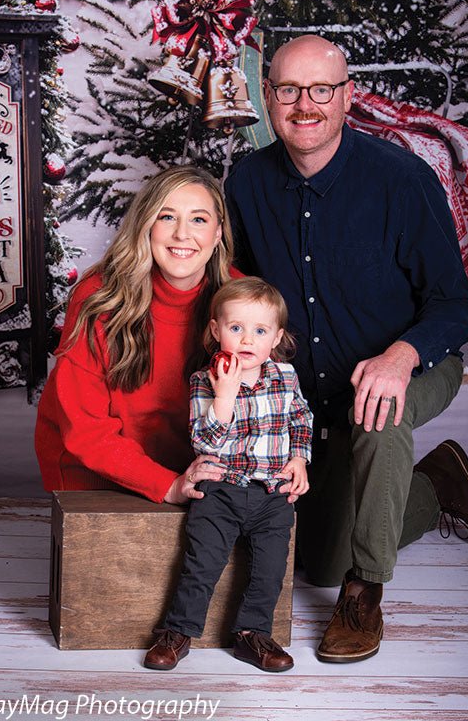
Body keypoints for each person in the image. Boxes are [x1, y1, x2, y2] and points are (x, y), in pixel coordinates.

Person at [223, 35, 468, 664]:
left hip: (415, 363)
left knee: (380, 410)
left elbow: (457, 307)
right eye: (289, 89)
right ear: (268, 98)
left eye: (321, 89)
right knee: (317, 559)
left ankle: (365, 592)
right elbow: (241, 290)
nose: (305, 104)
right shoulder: (246, 182)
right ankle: (434, 487)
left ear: (346, 97)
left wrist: (401, 356)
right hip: (313, 390)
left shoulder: (402, 179)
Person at [35, 164, 243, 504]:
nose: (182, 234)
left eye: (199, 219)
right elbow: (86, 430)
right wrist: (167, 485)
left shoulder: (239, 299)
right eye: (167, 216)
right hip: (98, 472)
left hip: (197, 469)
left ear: (218, 233)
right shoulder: (100, 296)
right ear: (146, 226)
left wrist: (290, 455)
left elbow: (268, 400)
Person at [143, 277, 312, 673]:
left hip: (272, 494)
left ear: (276, 338)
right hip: (221, 491)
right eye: (236, 328)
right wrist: (225, 395)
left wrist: (300, 460)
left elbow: (301, 419)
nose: (247, 340)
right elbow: (205, 441)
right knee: (202, 562)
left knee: (269, 569)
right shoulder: (206, 380)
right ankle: (178, 631)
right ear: (217, 331)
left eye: (260, 331)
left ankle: (252, 635)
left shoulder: (286, 378)